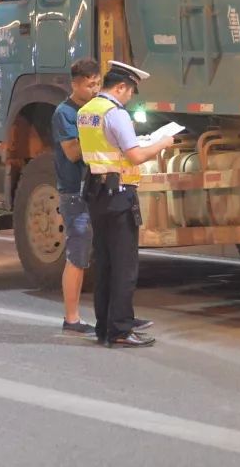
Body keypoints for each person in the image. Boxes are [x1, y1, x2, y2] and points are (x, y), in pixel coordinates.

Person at [78, 61, 174, 347]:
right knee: (124, 265)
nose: (130, 97)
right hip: (119, 192)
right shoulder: (115, 113)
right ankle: (120, 330)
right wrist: (162, 143)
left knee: (105, 262)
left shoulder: (87, 111)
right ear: (120, 87)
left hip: (95, 191)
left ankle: (104, 327)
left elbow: (105, 147)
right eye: (130, 91)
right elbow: (134, 156)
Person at [52, 58, 102, 335]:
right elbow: (72, 152)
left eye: (97, 83)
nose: (94, 89)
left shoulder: (98, 109)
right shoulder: (65, 113)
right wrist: (102, 137)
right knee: (78, 256)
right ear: (75, 84)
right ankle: (71, 318)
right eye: (88, 85)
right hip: (74, 193)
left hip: (96, 190)